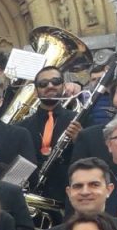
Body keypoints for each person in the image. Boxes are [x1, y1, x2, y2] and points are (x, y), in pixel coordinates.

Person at [17, 64, 83, 210]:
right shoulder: (21, 127)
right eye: (43, 84)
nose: (50, 86)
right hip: (34, 198)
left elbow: (91, 158)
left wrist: (80, 139)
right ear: (36, 91)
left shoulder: (79, 119)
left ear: (64, 86)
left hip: (70, 196)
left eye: (56, 81)